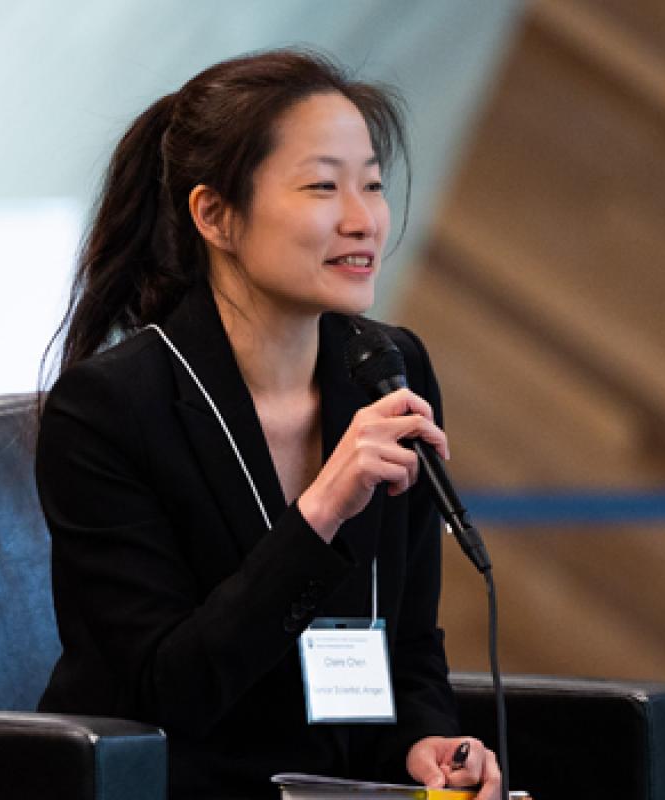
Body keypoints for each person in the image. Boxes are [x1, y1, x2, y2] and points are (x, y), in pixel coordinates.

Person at [34, 49, 502, 799]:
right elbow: (167, 692)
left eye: (373, 186)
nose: (363, 219)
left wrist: (428, 741)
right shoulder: (108, 409)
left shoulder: (386, 369)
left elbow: (407, 646)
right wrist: (319, 511)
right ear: (215, 214)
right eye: (323, 186)